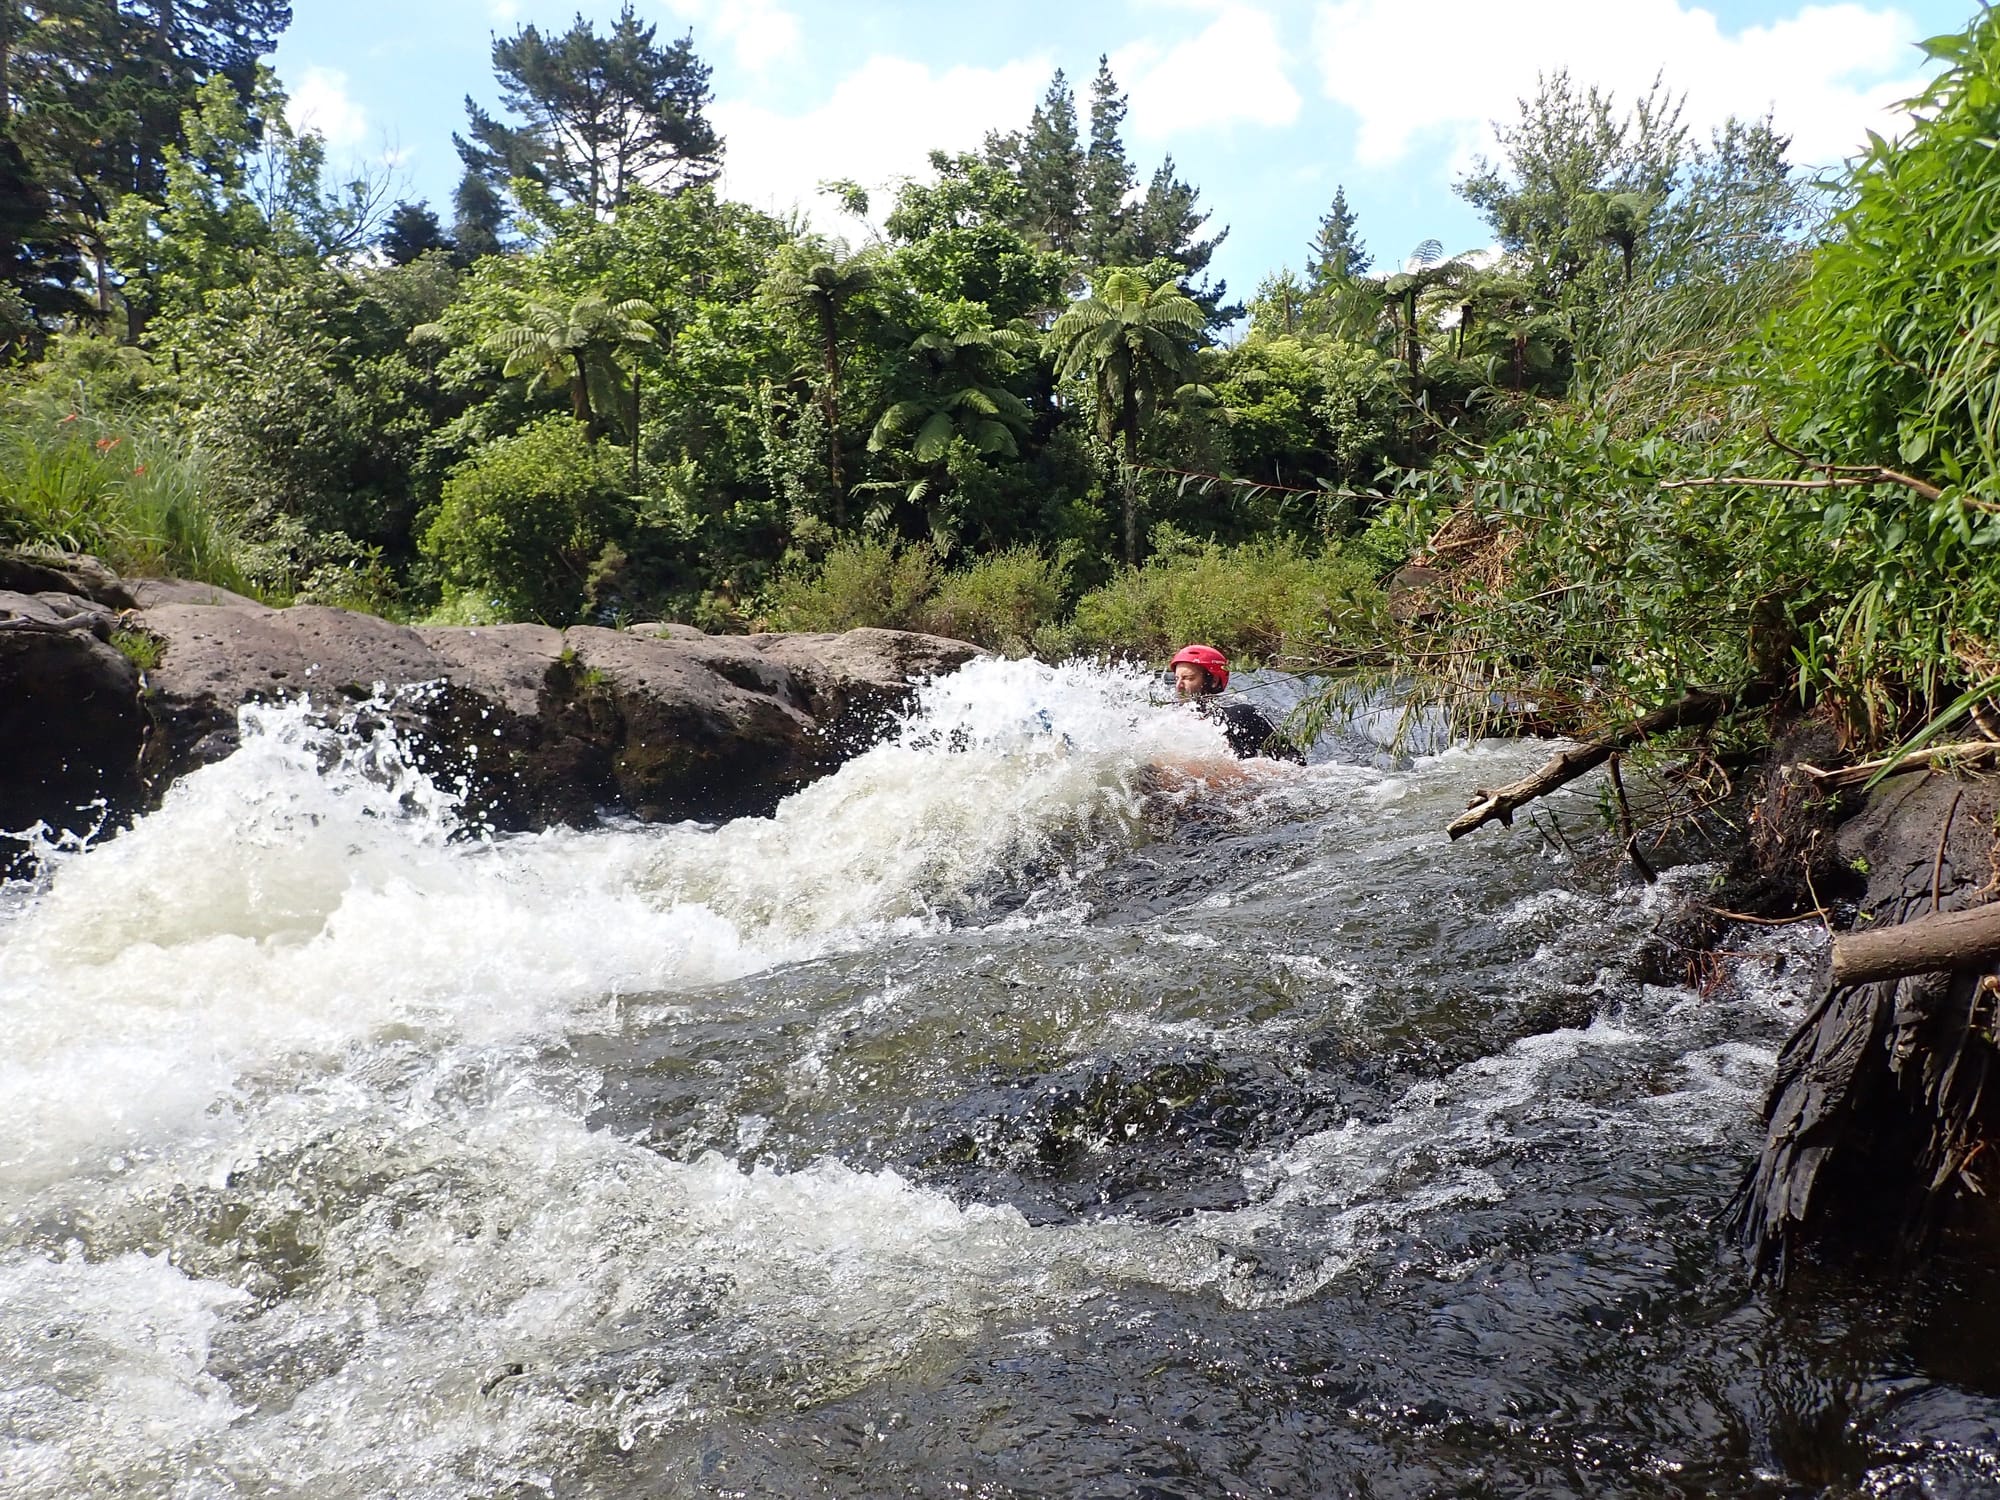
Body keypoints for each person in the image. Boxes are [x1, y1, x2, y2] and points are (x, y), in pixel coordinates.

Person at [1168, 644, 1306, 762]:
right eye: (1176, 679)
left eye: (1188, 678)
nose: (1179, 686)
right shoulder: (1172, 719)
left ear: (1214, 681)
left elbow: (1295, 760)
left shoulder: (1240, 715)